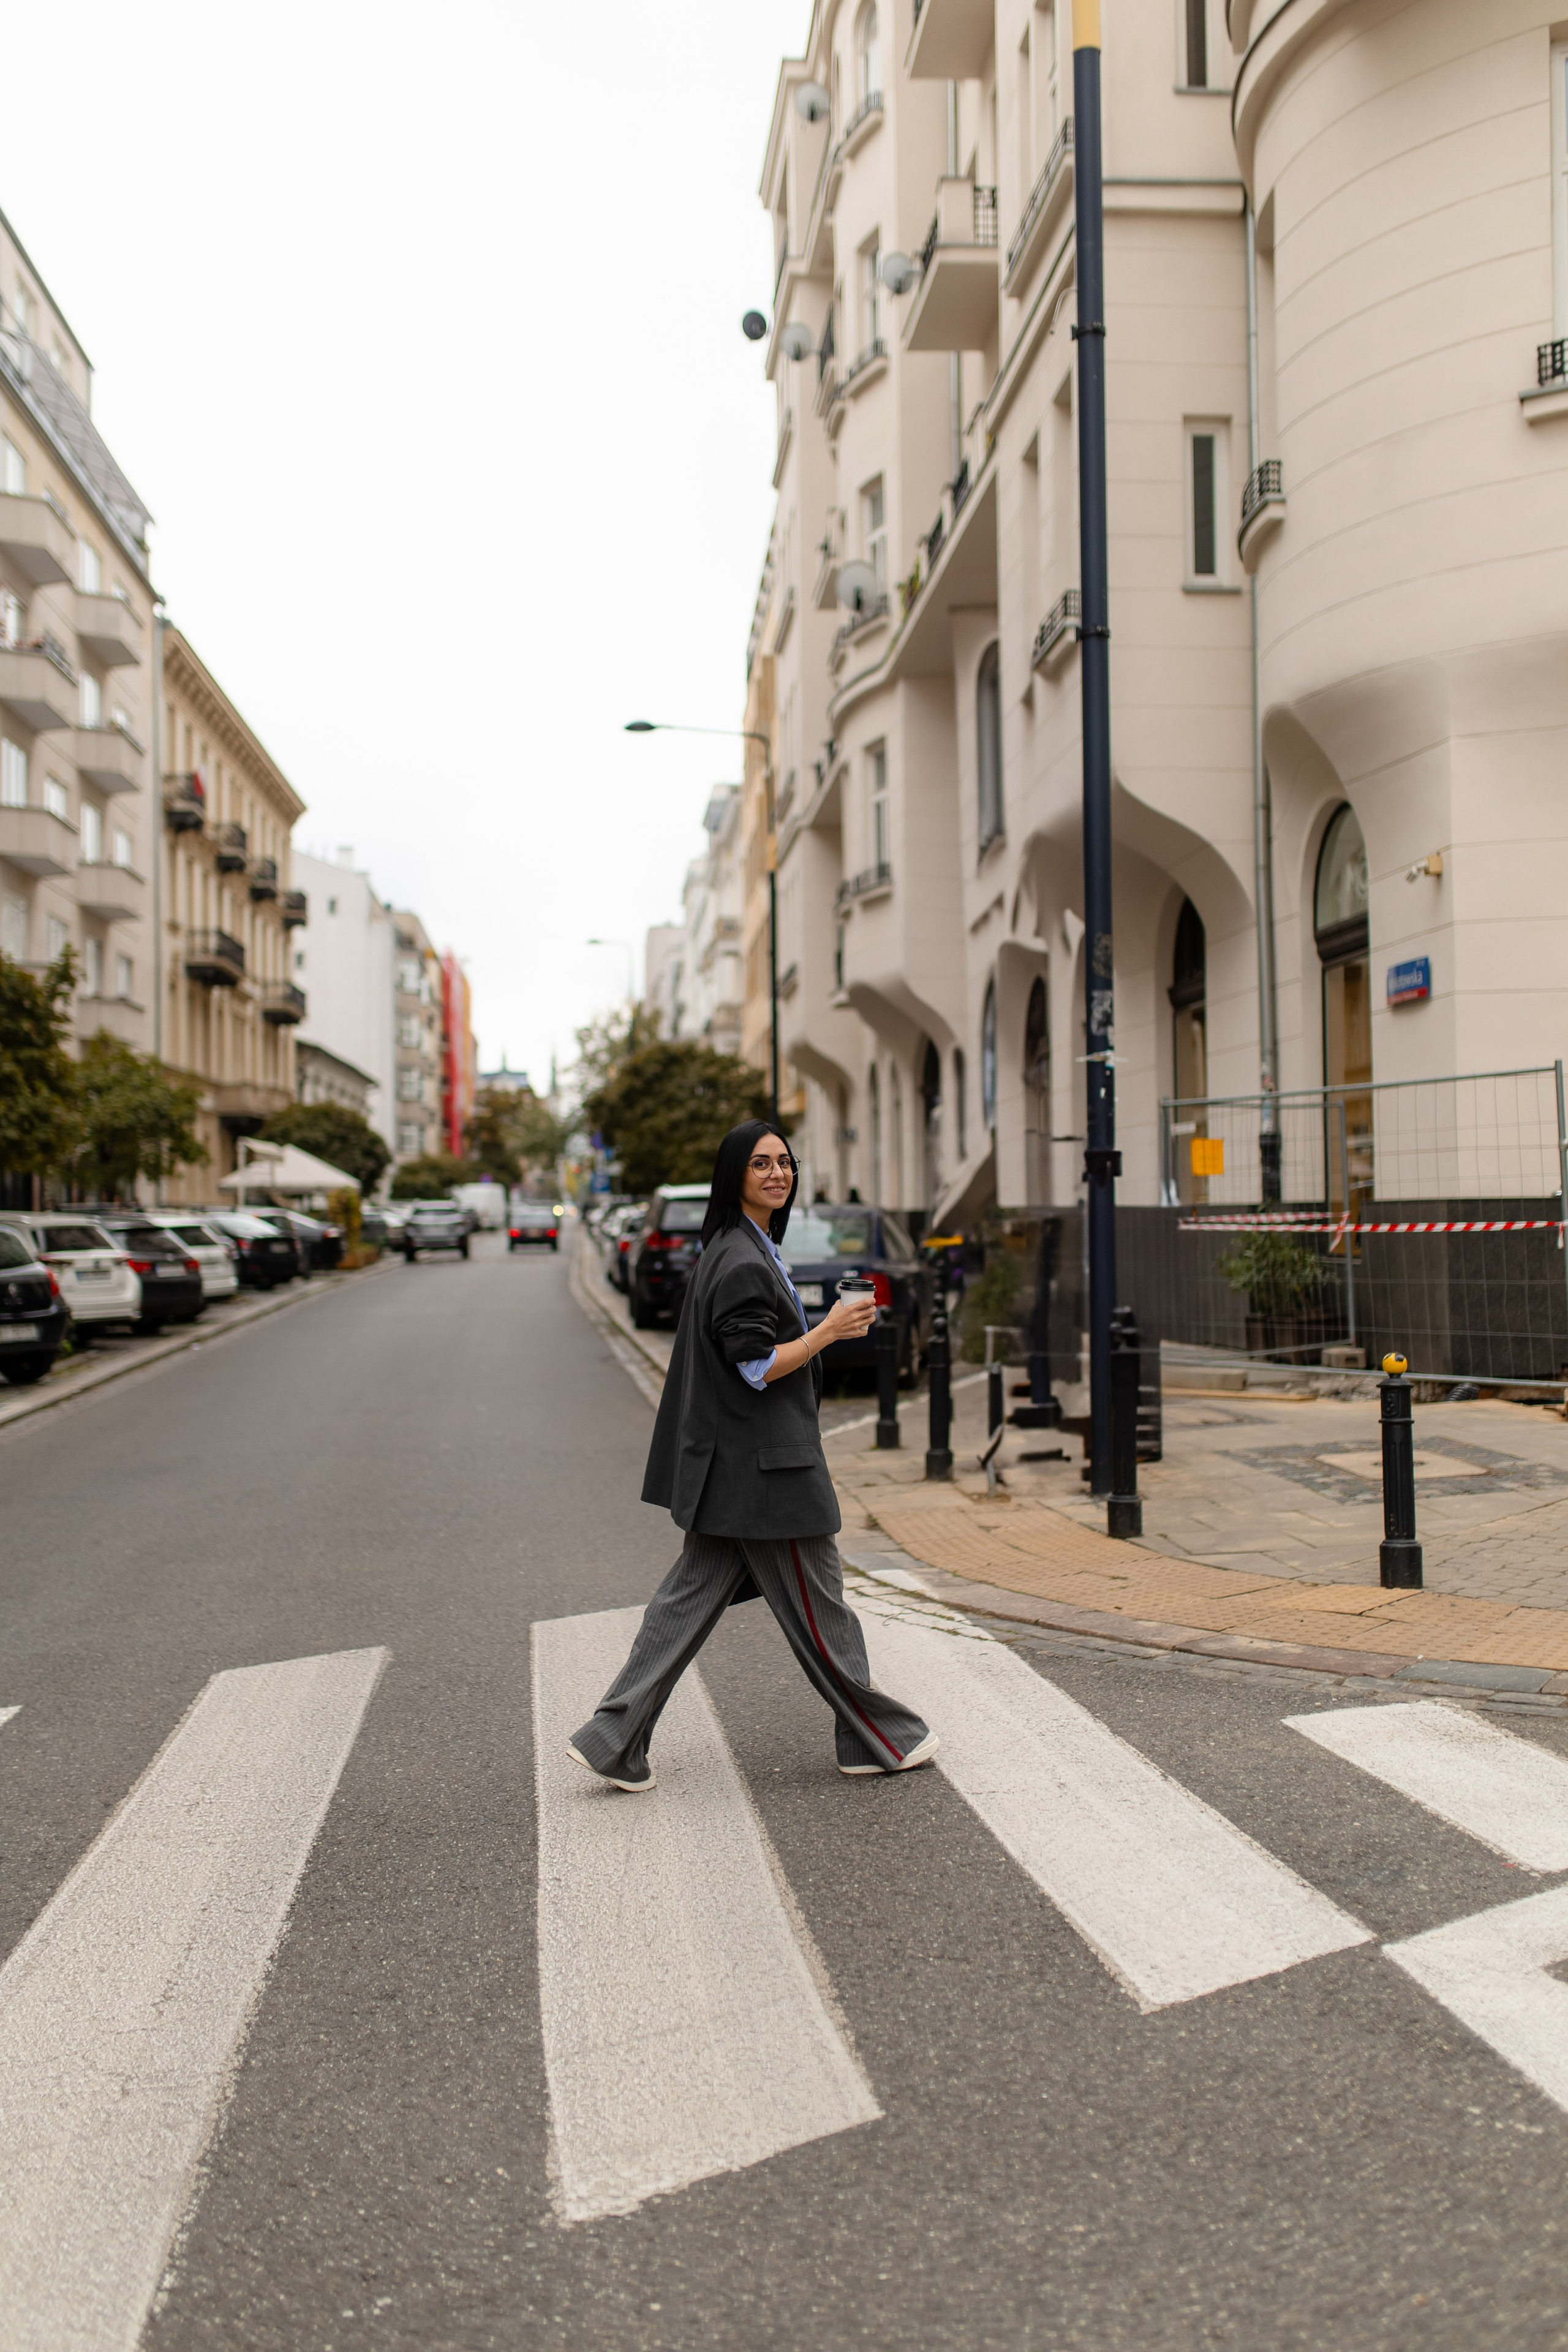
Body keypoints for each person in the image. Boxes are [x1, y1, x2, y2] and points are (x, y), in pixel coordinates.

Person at [568, 1119, 937, 1792]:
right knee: (822, 1607)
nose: (777, 1173)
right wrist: (829, 1331)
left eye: (784, 1162)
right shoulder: (740, 1257)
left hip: (734, 1469)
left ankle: (612, 1739)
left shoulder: (737, 1245)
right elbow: (756, 1367)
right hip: (768, 1471)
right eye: (761, 1164)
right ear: (734, 1174)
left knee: (683, 1607)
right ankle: (876, 1735)